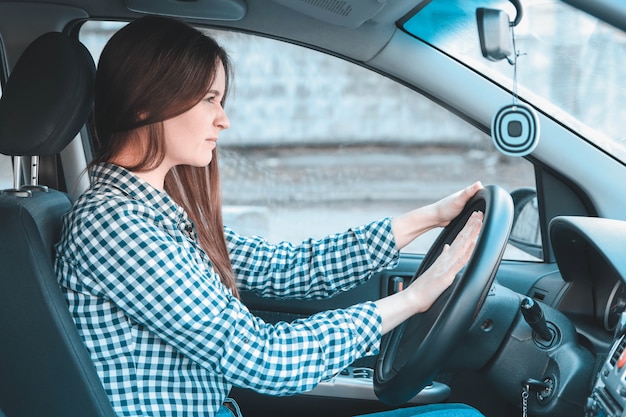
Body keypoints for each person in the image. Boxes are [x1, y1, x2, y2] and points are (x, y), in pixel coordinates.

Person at [54, 15, 485, 417]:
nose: (223, 120)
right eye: (209, 99)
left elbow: (283, 266)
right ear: (145, 105)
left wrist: (428, 218)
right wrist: (413, 299)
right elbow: (265, 360)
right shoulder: (116, 227)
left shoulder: (157, 215)